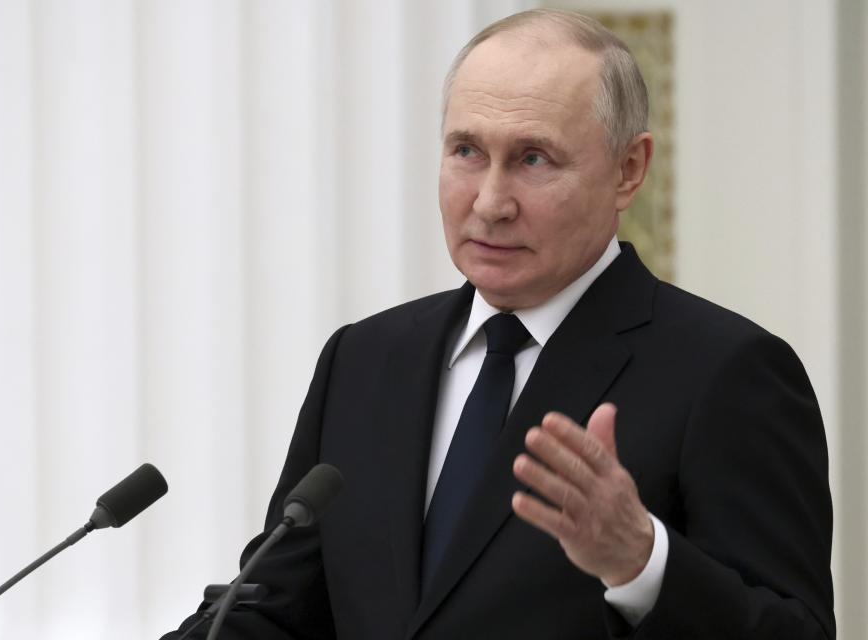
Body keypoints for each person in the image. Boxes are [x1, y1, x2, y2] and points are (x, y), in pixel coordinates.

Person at [163, 9, 834, 639]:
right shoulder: (365, 358)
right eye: (466, 151)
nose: (489, 203)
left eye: (533, 159)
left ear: (629, 171)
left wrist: (641, 562)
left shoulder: (727, 371)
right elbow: (279, 608)